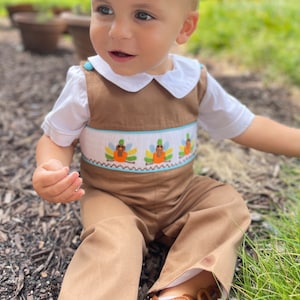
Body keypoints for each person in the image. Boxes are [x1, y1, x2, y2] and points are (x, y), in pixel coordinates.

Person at [32, 0, 300, 299]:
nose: (117, 31)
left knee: (226, 205)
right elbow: (57, 139)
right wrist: (51, 167)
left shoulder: (191, 80)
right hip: (112, 196)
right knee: (113, 239)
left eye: (142, 15)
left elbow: (247, 126)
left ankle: (182, 288)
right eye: (105, 10)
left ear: (184, 27)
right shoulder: (89, 82)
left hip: (181, 193)